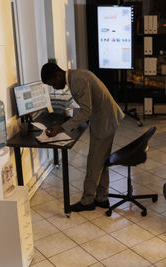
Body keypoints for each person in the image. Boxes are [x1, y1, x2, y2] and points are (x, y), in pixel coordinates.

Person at [40, 63, 124, 212]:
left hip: (104, 121)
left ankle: (88, 201)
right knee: (101, 160)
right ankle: (102, 198)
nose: (53, 87)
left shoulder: (77, 80)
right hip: (106, 117)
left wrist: (61, 128)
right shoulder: (75, 76)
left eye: (52, 83)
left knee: (94, 162)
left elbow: (86, 111)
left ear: (58, 75)